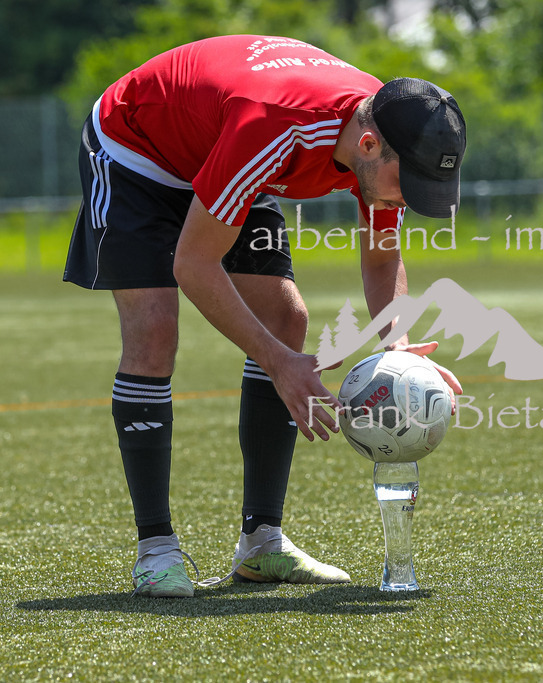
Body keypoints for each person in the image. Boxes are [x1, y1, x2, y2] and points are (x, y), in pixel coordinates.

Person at [63, 34, 466, 597]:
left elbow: (381, 255)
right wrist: (278, 365)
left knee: (285, 319)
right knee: (154, 332)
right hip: (138, 151)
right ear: (369, 145)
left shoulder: (386, 128)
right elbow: (194, 264)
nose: (406, 200)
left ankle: (261, 544)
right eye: (409, 185)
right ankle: (155, 550)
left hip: (220, 148)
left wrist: (395, 343)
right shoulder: (276, 128)